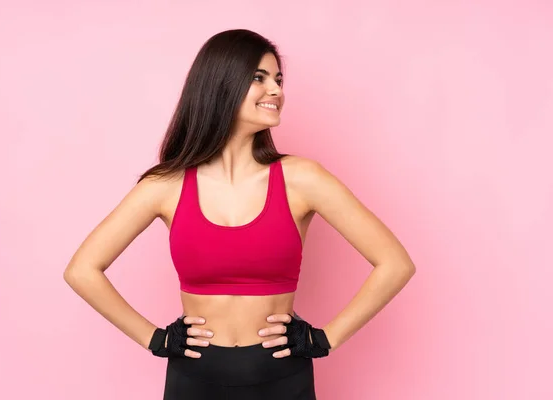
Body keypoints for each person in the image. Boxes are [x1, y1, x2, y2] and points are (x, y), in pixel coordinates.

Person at [63, 29, 416, 399]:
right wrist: (155, 338)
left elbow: (395, 263)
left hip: (283, 376)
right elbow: (82, 270)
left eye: (278, 80)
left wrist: (325, 338)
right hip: (193, 378)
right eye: (259, 78)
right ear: (220, 85)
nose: (277, 91)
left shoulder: (303, 178)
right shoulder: (165, 185)